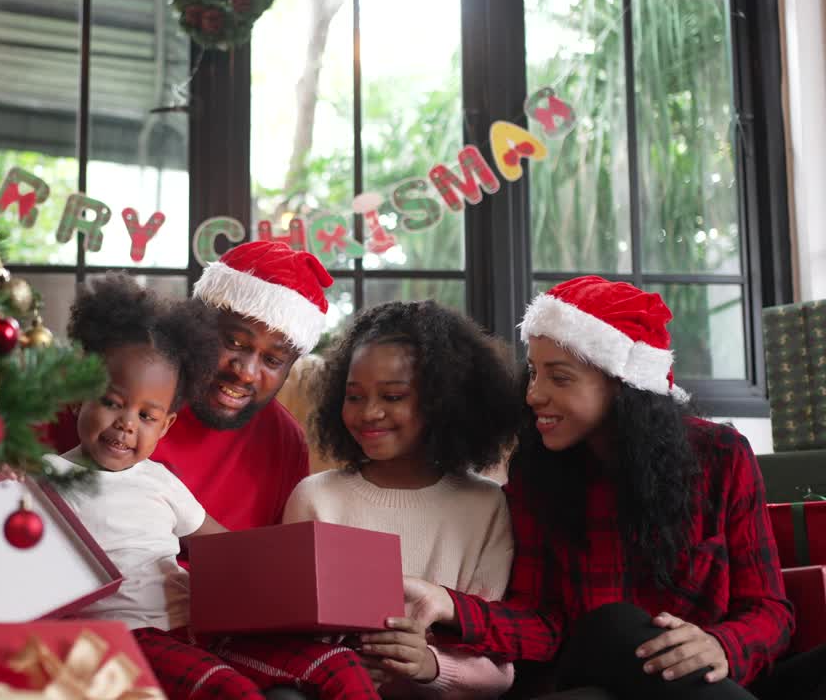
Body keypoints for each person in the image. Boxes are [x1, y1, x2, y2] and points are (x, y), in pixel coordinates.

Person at [400, 276, 826, 699]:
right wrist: (450, 605)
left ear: (624, 384)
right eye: (533, 372)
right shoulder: (535, 477)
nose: (533, 395)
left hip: (713, 684)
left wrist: (722, 646)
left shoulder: (722, 456)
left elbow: (770, 611)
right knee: (615, 624)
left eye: (559, 378)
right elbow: (540, 623)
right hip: (590, 681)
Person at [47, 273, 379, 700]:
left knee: (340, 669)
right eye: (112, 403)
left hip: (202, 621)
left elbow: (228, 552)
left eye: (147, 417)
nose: (127, 424)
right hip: (128, 637)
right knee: (227, 688)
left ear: (163, 423)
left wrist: (330, 605)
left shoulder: (161, 480)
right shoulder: (43, 474)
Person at [285, 300, 518, 699]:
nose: (369, 412)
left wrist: (430, 665)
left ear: (442, 402)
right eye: (354, 396)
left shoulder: (485, 506)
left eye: (393, 397)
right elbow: (285, 635)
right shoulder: (315, 497)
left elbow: (498, 668)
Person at [45, 240, 335, 530]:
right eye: (233, 342)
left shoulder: (286, 442)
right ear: (198, 324)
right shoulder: (114, 390)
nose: (245, 373)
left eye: (272, 360)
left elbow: (274, 556)